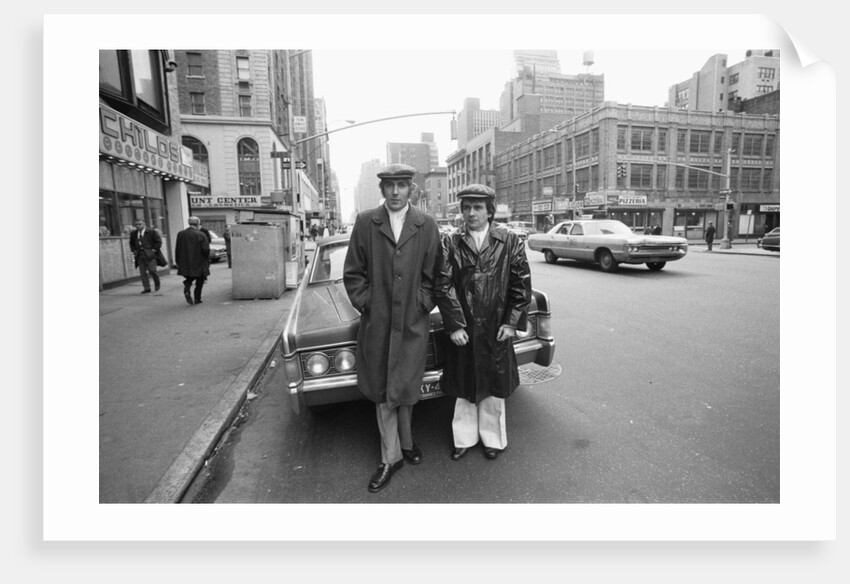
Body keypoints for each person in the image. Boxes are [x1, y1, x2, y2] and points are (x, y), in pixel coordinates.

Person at [343, 163, 447, 493]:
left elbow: (436, 274)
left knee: (405, 387)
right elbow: (353, 273)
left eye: (402, 185)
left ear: (411, 189)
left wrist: (422, 303)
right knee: (384, 390)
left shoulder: (427, 225)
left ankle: (407, 443)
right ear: (382, 189)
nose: (396, 192)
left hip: (412, 322)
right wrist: (369, 303)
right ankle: (391, 457)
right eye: (390, 185)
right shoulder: (365, 223)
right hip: (379, 324)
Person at [434, 184, 531, 462]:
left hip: (495, 326)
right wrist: (454, 325)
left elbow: (521, 284)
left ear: (490, 210)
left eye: (477, 207)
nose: (471, 213)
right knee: (464, 386)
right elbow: (443, 284)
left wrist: (512, 323)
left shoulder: (509, 240)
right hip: (464, 328)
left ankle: (492, 438)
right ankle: (463, 438)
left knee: (493, 385)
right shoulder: (450, 242)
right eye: (466, 207)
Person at [174, 216, 210, 305]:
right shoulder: (201, 234)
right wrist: (207, 259)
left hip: (185, 261)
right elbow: (206, 249)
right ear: (198, 223)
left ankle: (187, 287)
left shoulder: (181, 234)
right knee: (200, 280)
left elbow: (177, 249)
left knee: (190, 277)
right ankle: (197, 298)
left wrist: (178, 261)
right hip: (199, 260)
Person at [129, 219, 162, 294]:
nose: (137, 226)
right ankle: (146, 288)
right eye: (136, 224)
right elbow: (131, 243)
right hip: (140, 255)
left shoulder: (151, 232)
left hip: (150, 254)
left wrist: (153, 250)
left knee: (152, 270)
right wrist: (134, 250)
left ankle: (157, 282)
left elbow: (158, 242)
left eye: (139, 224)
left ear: (144, 224)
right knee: (143, 272)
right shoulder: (134, 233)